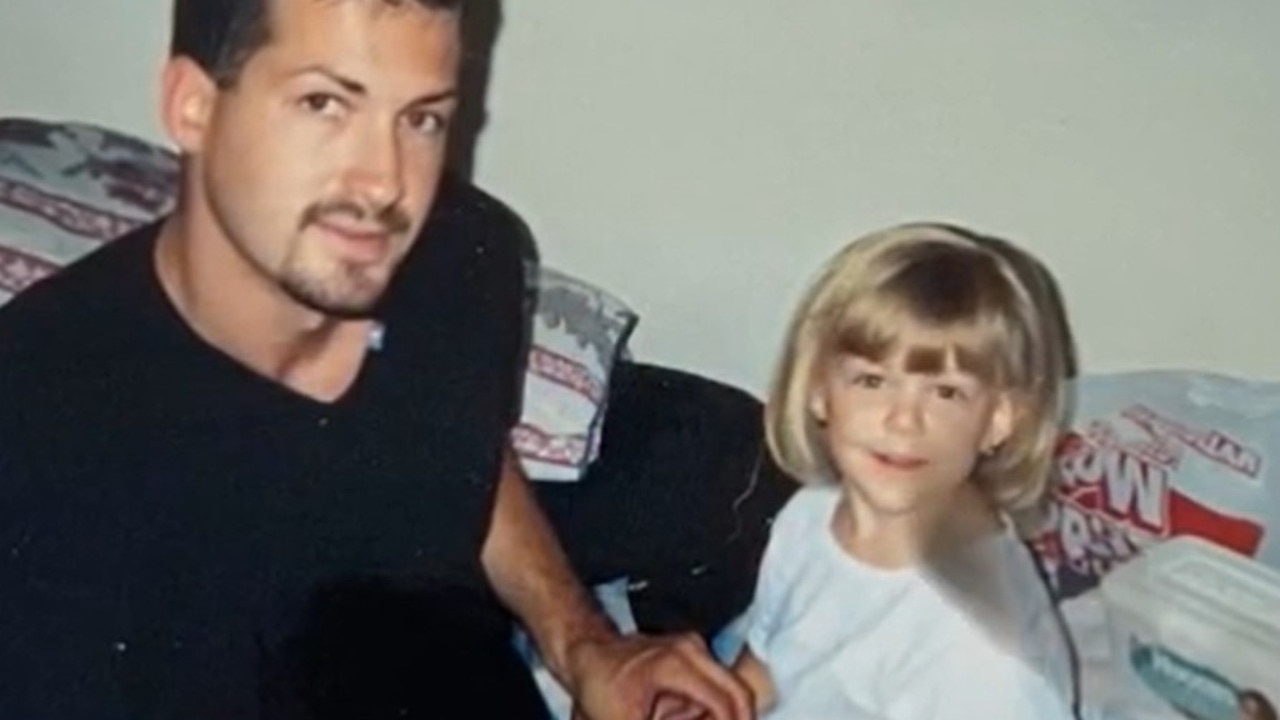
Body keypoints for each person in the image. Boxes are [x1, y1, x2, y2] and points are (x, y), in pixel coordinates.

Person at [0, 1, 753, 718]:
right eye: (326, 104)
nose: (385, 184)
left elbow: (463, 450)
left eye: (421, 118)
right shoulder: (43, 417)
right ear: (193, 105)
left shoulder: (459, 255)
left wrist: (584, 645)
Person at [732, 222, 1080, 719]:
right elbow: (765, 665)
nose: (904, 420)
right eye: (872, 381)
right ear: (817, 390)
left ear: (998, 420)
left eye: (945, 392)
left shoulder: (978, 650)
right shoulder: (811, 516)